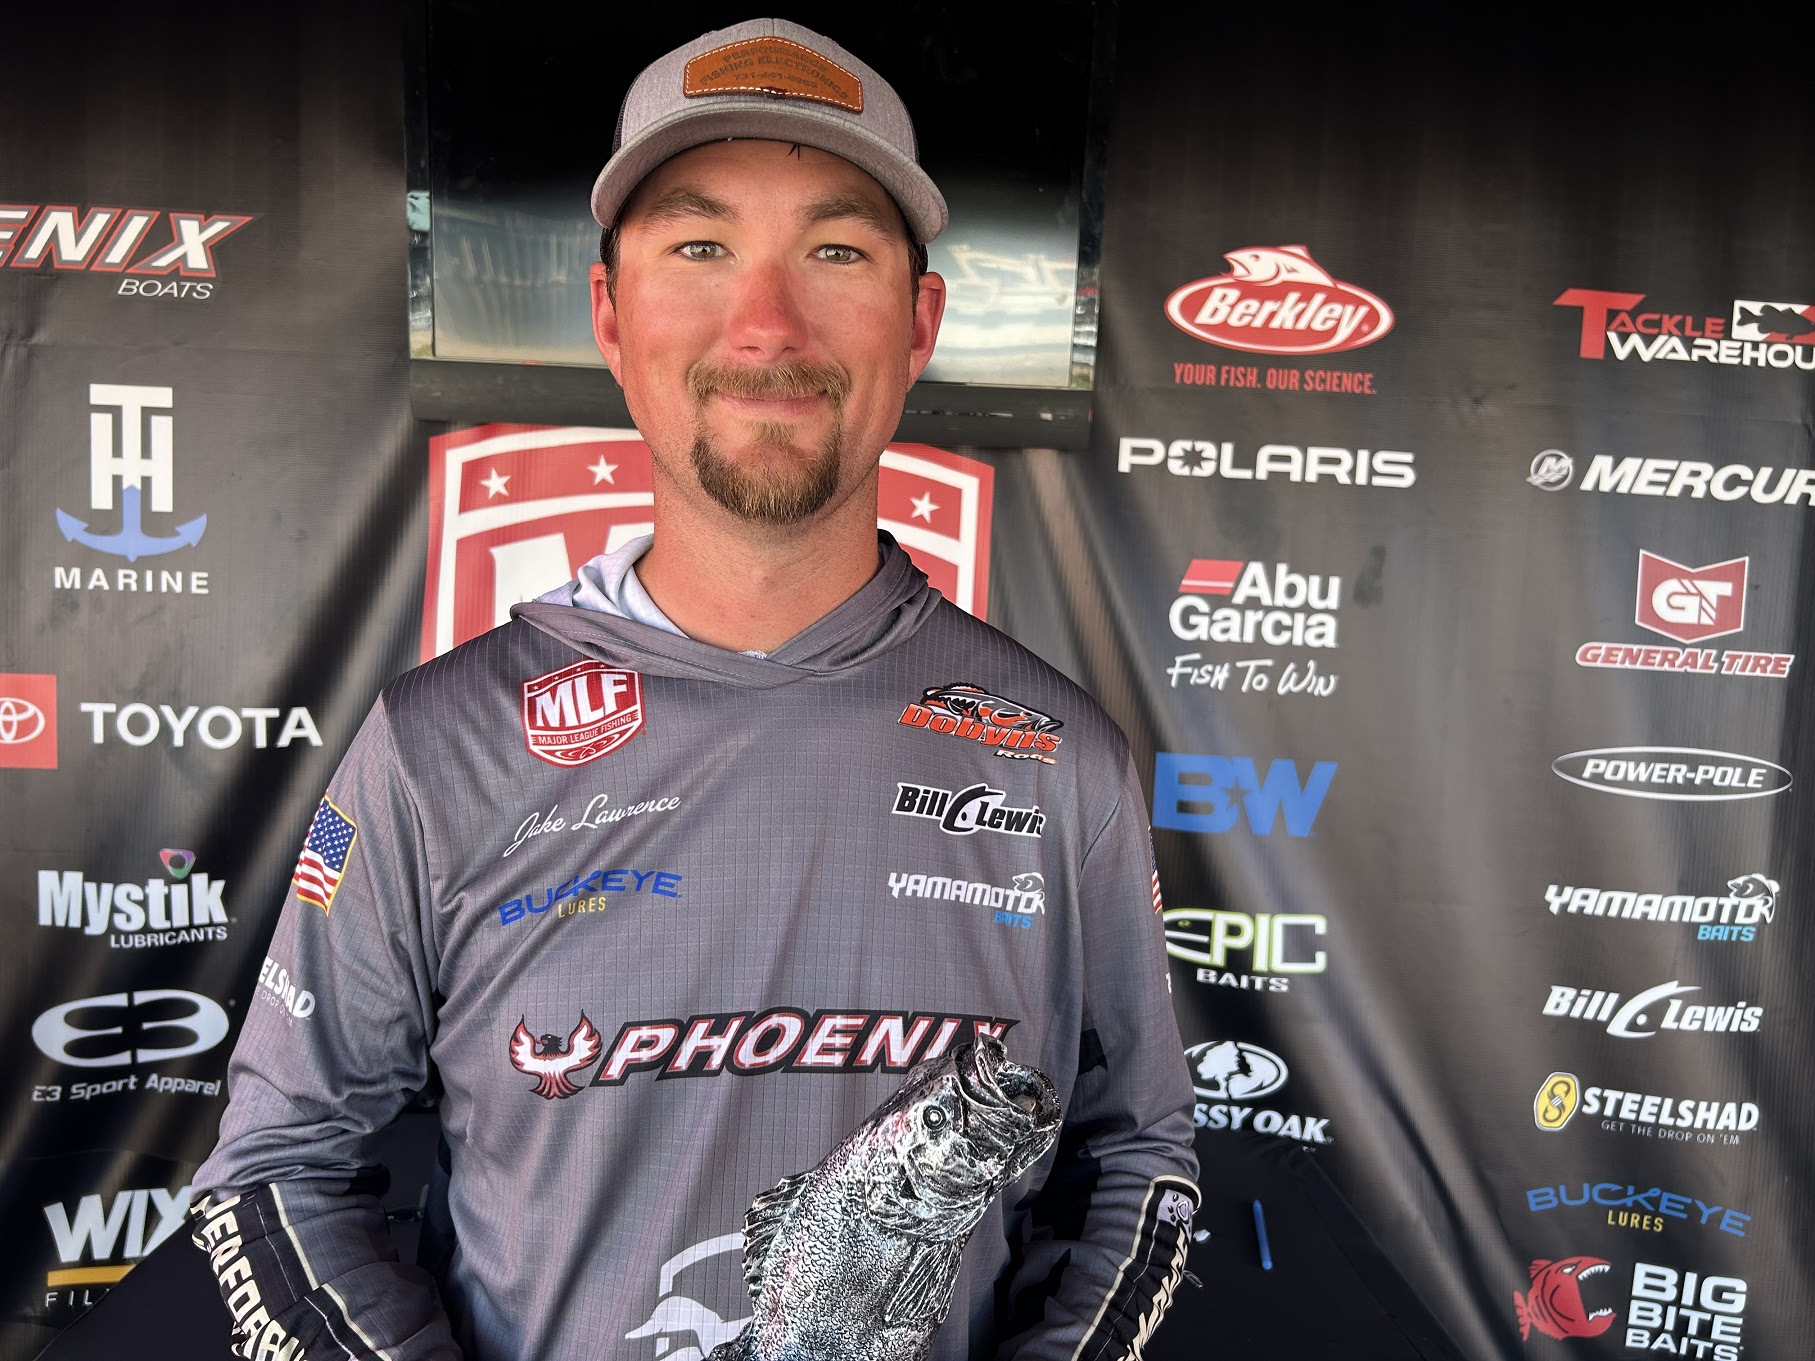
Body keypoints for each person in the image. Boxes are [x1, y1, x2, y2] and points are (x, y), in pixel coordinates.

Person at [190, 18, 1198, 1361]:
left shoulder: (1060, 761)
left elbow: (1138, 1166)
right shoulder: (436, 748)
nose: (766, 325)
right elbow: (276, 1169)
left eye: (836, 252)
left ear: (920, 324)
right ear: (611, 315)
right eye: (700, 248)